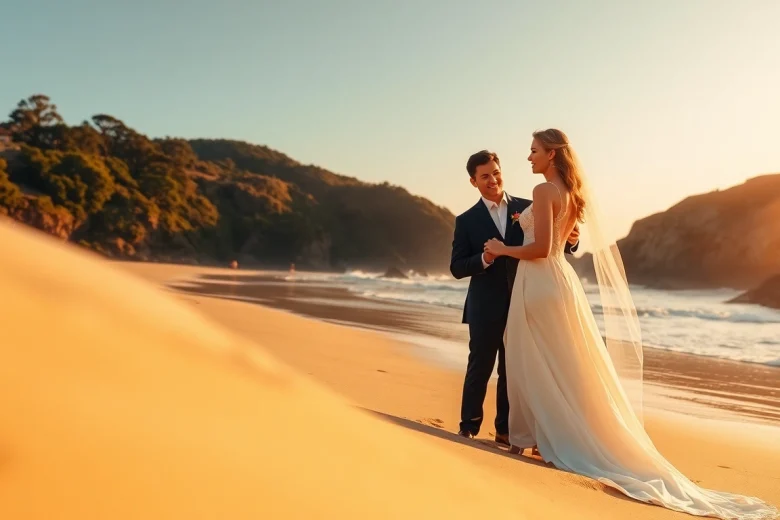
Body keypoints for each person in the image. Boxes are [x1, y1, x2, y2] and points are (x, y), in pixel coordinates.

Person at [483, 128, 778, 519]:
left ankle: (526, 441)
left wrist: (503, 248)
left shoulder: (543, 192)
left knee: (529, 361)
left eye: (534, 150)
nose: (529, 157)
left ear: (552, 154)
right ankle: (540, 438)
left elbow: (539, 250)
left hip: (538, 282)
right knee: (561, 365)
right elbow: (560, 242)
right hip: (560, 283)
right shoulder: (569, 193)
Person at [449, 150, 578, 444]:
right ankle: (468, 425)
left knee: (514, 368)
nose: (493, 180)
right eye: (485, 176)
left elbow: (549, 239)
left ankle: (505, 430)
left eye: (496, 172)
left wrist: (572, 239)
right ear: (474, 182)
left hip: (525, 297)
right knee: (479, 365)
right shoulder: (466, 221)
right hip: (485, 303)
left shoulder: (527, 206)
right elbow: (457, 267)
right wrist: (483, 258)